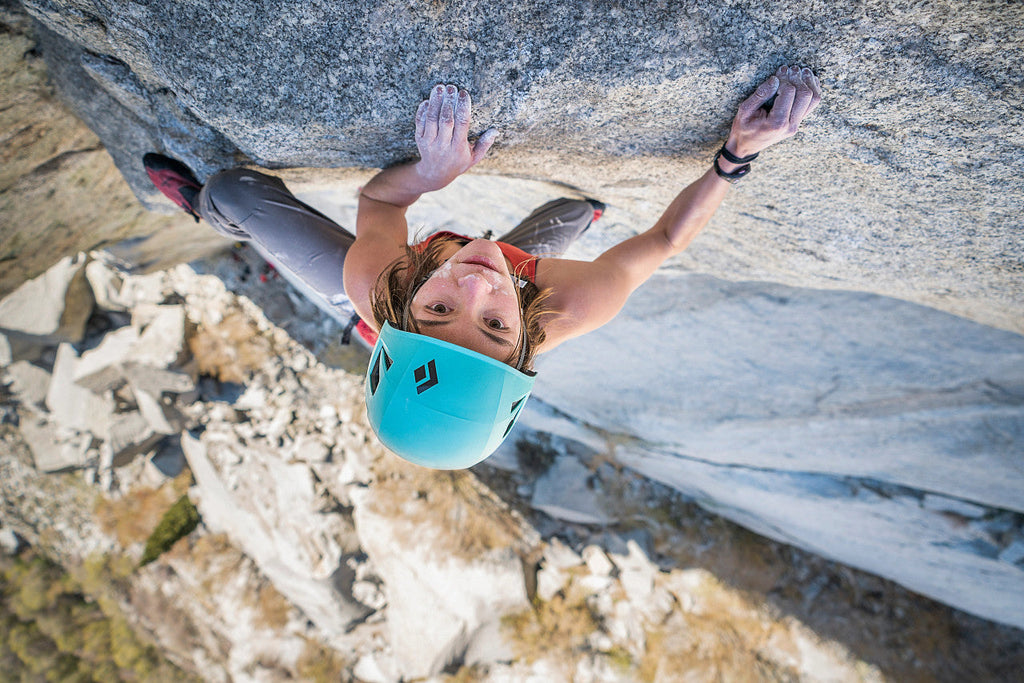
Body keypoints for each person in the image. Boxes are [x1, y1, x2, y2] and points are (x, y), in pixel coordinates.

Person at [144, 64, 821, 470]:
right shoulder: (568, 308)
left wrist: (429, 173)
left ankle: (204, 209)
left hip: (381, 290)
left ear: (402, 312)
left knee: (234, 192)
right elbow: (667, 237)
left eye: (441, 311)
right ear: (527, 338)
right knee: (572, 210)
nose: (474, 286)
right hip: (509, 278)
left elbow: (379, 200)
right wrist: (737, 152)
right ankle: (563, 228)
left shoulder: (375, 286)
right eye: (494, 323)